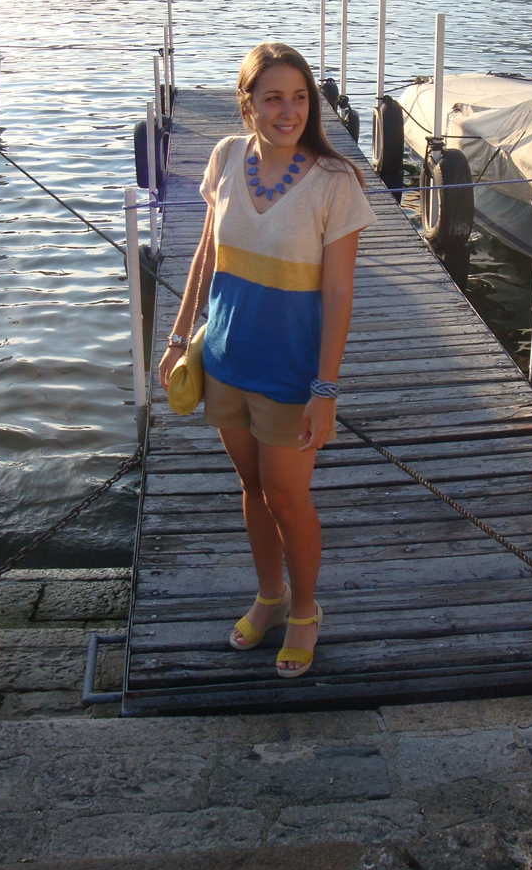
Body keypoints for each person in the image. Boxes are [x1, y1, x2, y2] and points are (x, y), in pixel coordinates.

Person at [159, 42, 376, 678]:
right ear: (247, 102)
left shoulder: (335, 181)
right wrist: (179, 336)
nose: (289, 111)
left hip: (290, 373)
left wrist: (325, 389)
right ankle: (269, 595)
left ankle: (305, 610)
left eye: (300, 98)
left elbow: (339, 293)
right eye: (273, 97)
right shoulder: (228, 157)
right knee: (252, 487)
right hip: (225, 358)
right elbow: (207, 254)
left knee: (287, 495)